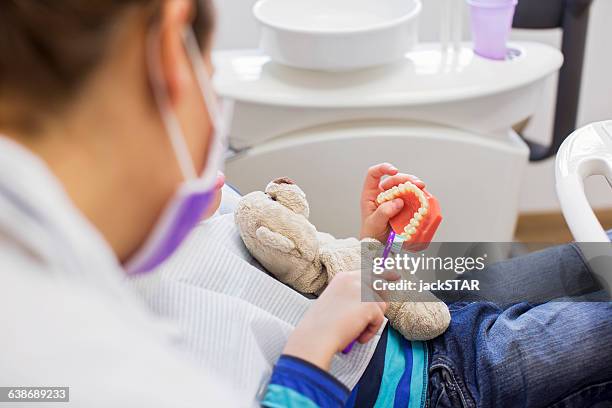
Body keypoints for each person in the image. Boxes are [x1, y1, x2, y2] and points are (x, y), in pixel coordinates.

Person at [1, 1, 610, 408]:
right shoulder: (65, 362)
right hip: (434, 378)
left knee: (589, 264)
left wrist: (378, 248)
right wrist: (310, 353)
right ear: (169, 55)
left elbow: (292, 273)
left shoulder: (84, 235)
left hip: (401, 288)